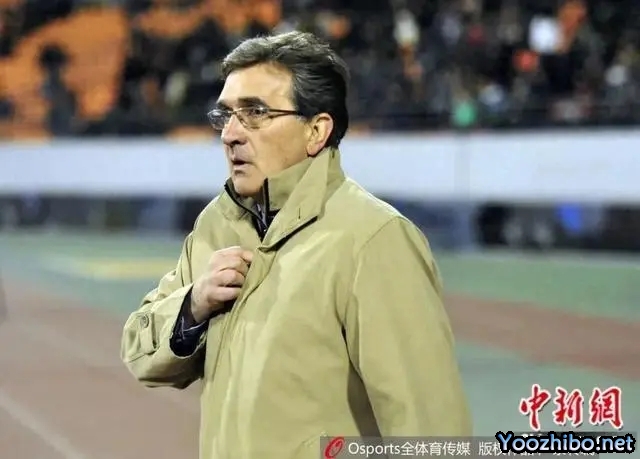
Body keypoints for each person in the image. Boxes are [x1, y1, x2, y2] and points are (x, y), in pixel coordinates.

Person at [120, 30, 472, 459]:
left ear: (316, 131)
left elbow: (429, 430)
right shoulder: (217, 224)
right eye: (226, 115)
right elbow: (140, 354)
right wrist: (193, 306)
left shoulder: (373, 239)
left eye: (255, 113)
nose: (230, 134)